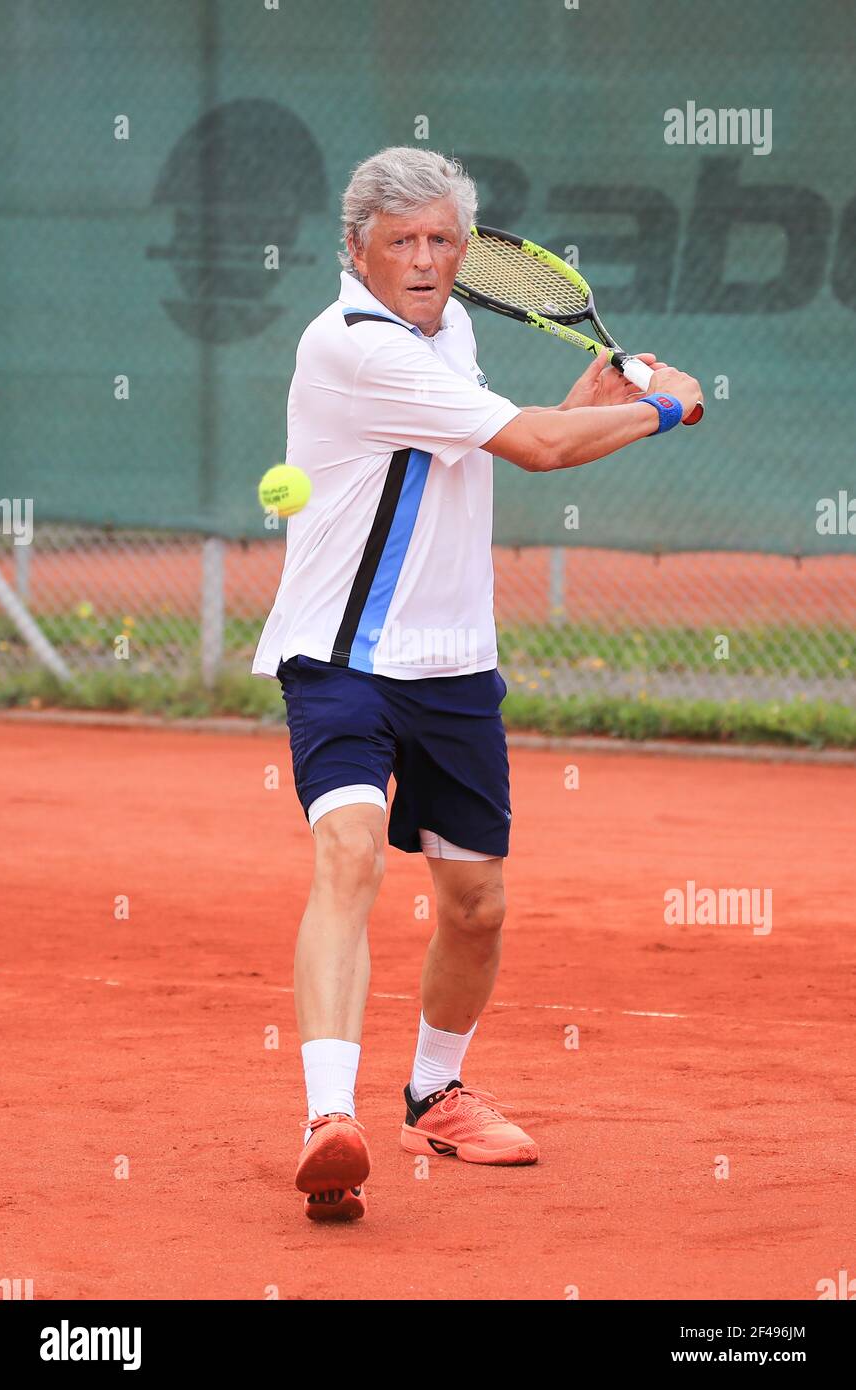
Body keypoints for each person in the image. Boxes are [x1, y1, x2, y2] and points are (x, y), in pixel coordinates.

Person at [252, 146, 702, 1221]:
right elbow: (538, 450)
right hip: (343, 658)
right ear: (352, 250)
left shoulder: (447, 330)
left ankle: (433, 1091)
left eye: (441, 240)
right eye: (399, 241)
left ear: (465, 250)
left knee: (477, 904)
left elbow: (490, 444)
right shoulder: (349, 343)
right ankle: (328, 1119)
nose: (422, 260)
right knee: (349, 855)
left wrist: (578, 404)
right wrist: (666, 408)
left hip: (453, 665)